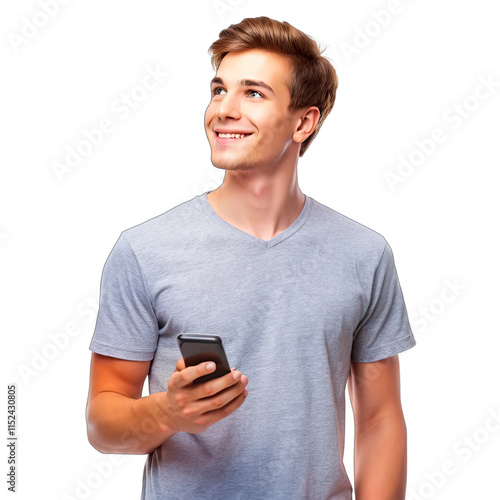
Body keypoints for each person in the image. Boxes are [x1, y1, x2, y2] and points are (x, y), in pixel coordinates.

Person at [85, 16, 416, 500]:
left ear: (304, 121)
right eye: (219, 90)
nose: (224, 109)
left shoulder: (364, 254)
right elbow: (101, 425)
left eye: (253, 93)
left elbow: (380, 418)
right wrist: (169, 412)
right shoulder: (144, 250)